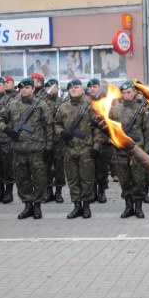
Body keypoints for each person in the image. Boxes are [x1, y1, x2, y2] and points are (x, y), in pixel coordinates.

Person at [0, 78, 54, 220]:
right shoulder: (12, 105)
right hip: (18, 150)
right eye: (21, 88)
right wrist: (7, 130)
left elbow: (49, 127)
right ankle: (28, 205)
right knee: (22, 180)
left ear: (33, 89)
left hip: (36, 150)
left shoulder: (41, 105)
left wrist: (49, 147)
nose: (24, 90)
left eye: (27, 87)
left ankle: (37, 206)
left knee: (39, 180)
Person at [55, 79, 103, 219]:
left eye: (76, 87)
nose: (73, 89)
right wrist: (62, 133)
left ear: (83, 90)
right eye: (70, 88)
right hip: (69, 149)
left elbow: (98, 129)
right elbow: (56, 124)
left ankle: (86, 207)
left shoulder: (91, 106)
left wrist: (96, 147)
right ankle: (77, 206)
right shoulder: (63, 107)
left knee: (87, 179)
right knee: (73, 179)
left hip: (86, 149)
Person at [109, 81, 149, 219]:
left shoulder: (142, 110)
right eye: (124, 93)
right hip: (120, 151)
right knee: (124, 180)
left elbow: (147, 130)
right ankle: (128, 207)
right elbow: (109, 129)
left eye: (129, 92)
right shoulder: (115, 109)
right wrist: (113, 141)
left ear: (134, 93)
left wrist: (145, 147)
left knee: (138, 180)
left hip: (136, 150)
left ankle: (138, 207)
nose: (126, 95)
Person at [42, 79, 66, 204]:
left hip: (58, 141)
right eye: (48, 87)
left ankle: (58, 192)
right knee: (46, 167)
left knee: (59, 167)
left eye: (53, 87)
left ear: (58, 88)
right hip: (45, 140)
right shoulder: (41, 102)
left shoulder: (63, 102)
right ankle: (48, 191)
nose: (50, 89)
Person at [87, 78, 110, 204]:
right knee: (90, 168)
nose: (92, 88)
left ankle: (101, 192)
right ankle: (93, 192)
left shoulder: (106, 101)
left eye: (95, 86)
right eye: (90, 87)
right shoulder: (85, 102)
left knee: (102, 168)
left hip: (102, 140)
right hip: (87, 140)